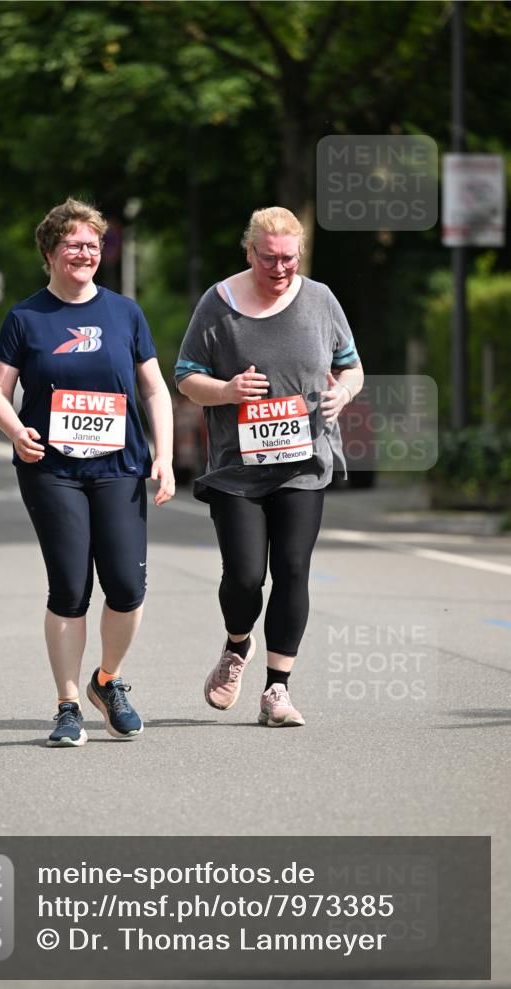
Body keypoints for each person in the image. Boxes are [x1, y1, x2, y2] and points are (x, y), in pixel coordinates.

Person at [0, 197, 174, 747]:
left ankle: (107, 681)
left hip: (119, 465)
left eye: (93, 245)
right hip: (52, 469)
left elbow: (154, 388)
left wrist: (162, 455)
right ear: (49, 252)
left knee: (126, 585)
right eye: (73, 244)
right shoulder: (26, 317)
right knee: (70, 586)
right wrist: (16, 432)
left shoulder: (125, 313)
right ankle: (68, 703)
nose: (85, 253)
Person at [175, 206, 363, 728]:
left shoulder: (320, 299)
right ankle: (238, 644)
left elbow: (351, 365)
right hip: (238, 466)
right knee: (244, 574)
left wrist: (342, 393)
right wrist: (227, 391)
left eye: (289, 258)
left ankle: (277, 690)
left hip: (304, 460)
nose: (280, 269)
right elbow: (186, 375)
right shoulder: (220, 304)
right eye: (269, 259)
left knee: (293, 569)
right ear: (250, 252)